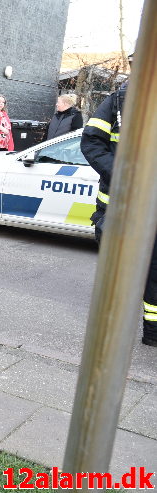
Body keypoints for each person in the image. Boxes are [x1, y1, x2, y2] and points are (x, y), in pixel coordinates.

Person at [80, 53, 156, 348]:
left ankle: (152, 333)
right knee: (116, 278)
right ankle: (109, 339)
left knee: (155, 277)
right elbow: (91, 142)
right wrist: (124, 177)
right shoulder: (118, 103)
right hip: (118, 208)